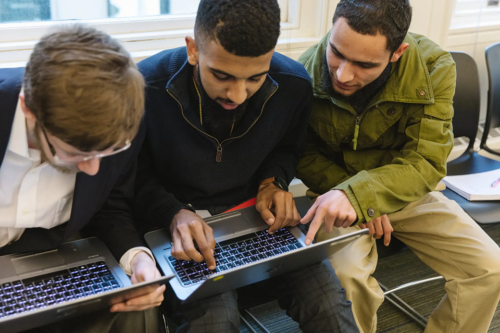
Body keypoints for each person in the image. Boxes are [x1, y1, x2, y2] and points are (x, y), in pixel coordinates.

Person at [134, 0, 358, 332]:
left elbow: (287, 150)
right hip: (180, 232)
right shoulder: (144, 87)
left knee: (329, 308)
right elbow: (130, 178)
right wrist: (172, 212)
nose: (237, 95)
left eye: (255, 78)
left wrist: (274, 182)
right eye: (222, 76)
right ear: (193, 50)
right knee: (215, 320)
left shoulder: (293, 85)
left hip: (256, 219)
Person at [296, 0, 500, 332]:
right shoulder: (301, 73)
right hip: (335, 192)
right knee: (348, 281)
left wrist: (368, 198)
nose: (343, 74)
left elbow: (427, 162)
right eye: (336, 52)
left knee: (490, 269)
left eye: (363, 64)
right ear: (332, 28)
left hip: (407, 191)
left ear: (397, 52)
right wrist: (359, 200)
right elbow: (303, 156)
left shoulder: (433, 68)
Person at [0, 25, 164, 333]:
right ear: (29, 109)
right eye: (76, 153)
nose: (92, 170)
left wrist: (138, 260)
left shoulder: (122, 123)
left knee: (135, 309)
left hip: (55, 254)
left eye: (108, 152)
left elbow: (110, 205)